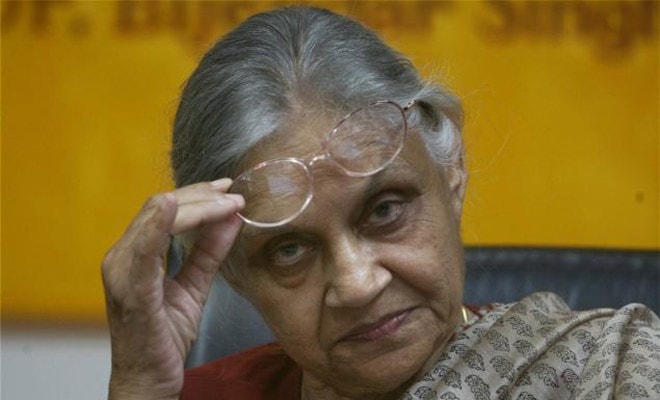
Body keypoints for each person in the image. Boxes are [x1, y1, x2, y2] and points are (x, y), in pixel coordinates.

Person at [102, 6, 660, 400]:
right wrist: (138, 385)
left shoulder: (600, 371)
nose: (357, 283)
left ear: (451, 170)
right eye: (290, 249)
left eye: (385, 210)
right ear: (234, 273)